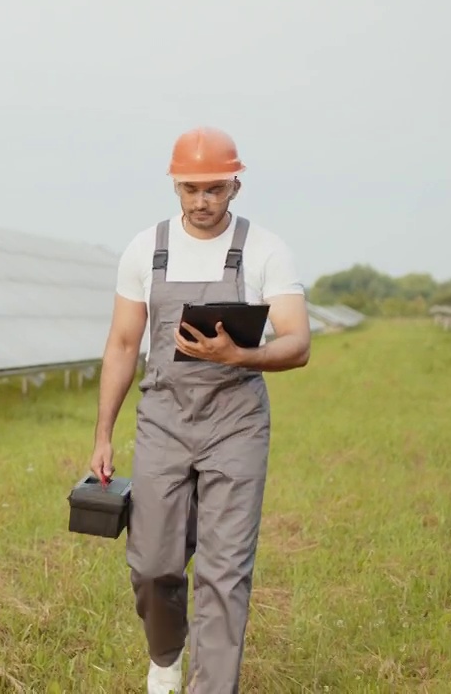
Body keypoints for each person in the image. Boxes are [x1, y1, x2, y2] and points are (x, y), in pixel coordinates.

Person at [90, 127, 312, 693]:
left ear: (235, 185)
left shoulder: (265, 250)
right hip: (164, 420)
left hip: (235, 425)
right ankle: (165, 654)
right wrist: (103, 436)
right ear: (175, 186)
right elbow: (121, 346)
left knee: (224, 573)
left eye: (214, 189)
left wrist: (241, 354)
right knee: (152, 564)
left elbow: (297, 341)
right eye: (190, 189)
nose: (202, 201)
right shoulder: (146, 249)